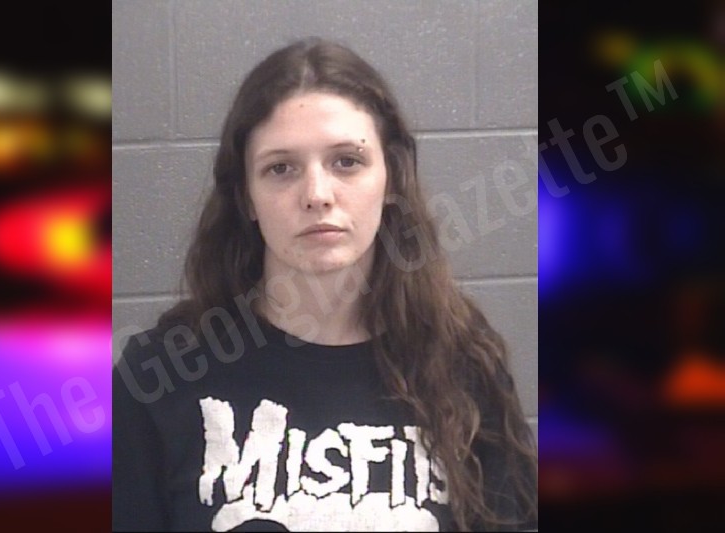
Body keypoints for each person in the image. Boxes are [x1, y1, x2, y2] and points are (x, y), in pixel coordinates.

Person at [113, 37, 537, 532]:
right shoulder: (161, 374)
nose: (317, 194)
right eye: (281, 168)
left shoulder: (464, 362)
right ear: (247, 198)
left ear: (391, 180)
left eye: (346, 161)